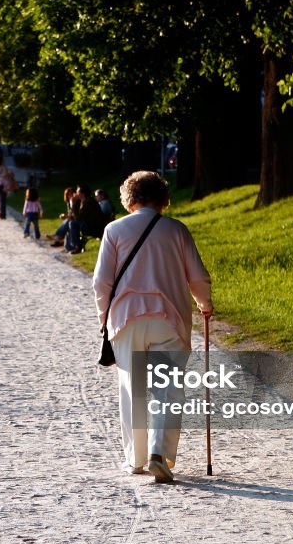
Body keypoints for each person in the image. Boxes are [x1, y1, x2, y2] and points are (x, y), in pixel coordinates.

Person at [91, 171, 212, 483]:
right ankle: (160, 453)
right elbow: (196, 277)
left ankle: (136, 459)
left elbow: (101, 281)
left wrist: (104, 317)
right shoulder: (176, 230)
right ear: (163, 199)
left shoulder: (114, 230)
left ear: (130, 199)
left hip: (126, 318)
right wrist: (205, 304)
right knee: (167, 388)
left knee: (133, 389)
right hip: (168, 319)